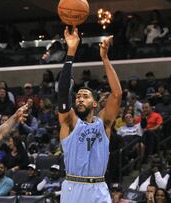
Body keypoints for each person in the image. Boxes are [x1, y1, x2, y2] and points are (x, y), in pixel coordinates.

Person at [57, 26, 122, 203]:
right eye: (77, 96)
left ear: (94, 103)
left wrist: (105, 58)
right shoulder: (69, 122)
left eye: (84, 96)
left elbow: (117, 94)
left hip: (99, 187)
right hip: (74, 187)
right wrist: (71, 51)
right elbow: (63, 92)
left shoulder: (104, 123)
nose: (79, 99)